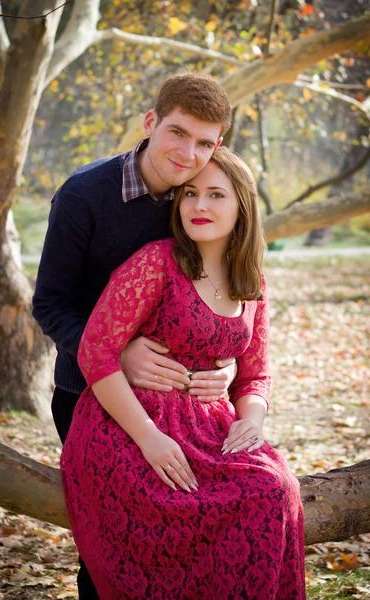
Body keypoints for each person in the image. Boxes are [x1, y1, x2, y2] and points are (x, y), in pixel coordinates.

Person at [60, 147, 306, 599]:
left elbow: (256, 374)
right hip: (127, 426)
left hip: (210, 429)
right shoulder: (157, 262)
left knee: (275, 489)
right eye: (190, 193)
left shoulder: (252, 280)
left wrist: (250, 422)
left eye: (216, 194)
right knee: (192, 507)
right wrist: (150, 436)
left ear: (242, 206)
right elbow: (96, 352)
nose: (199, 206)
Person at [32, 73, 236, 597]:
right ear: (150, 123)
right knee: (109, 547)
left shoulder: (204, 196)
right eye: (177, 132)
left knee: (189, 537)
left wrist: (229, 367)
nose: (188, 153)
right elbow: (50, 303)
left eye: (205, 142)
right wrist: (115, 353)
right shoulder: (84, 196)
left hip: (183, 400)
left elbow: (228, 294)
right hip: (87, 394)